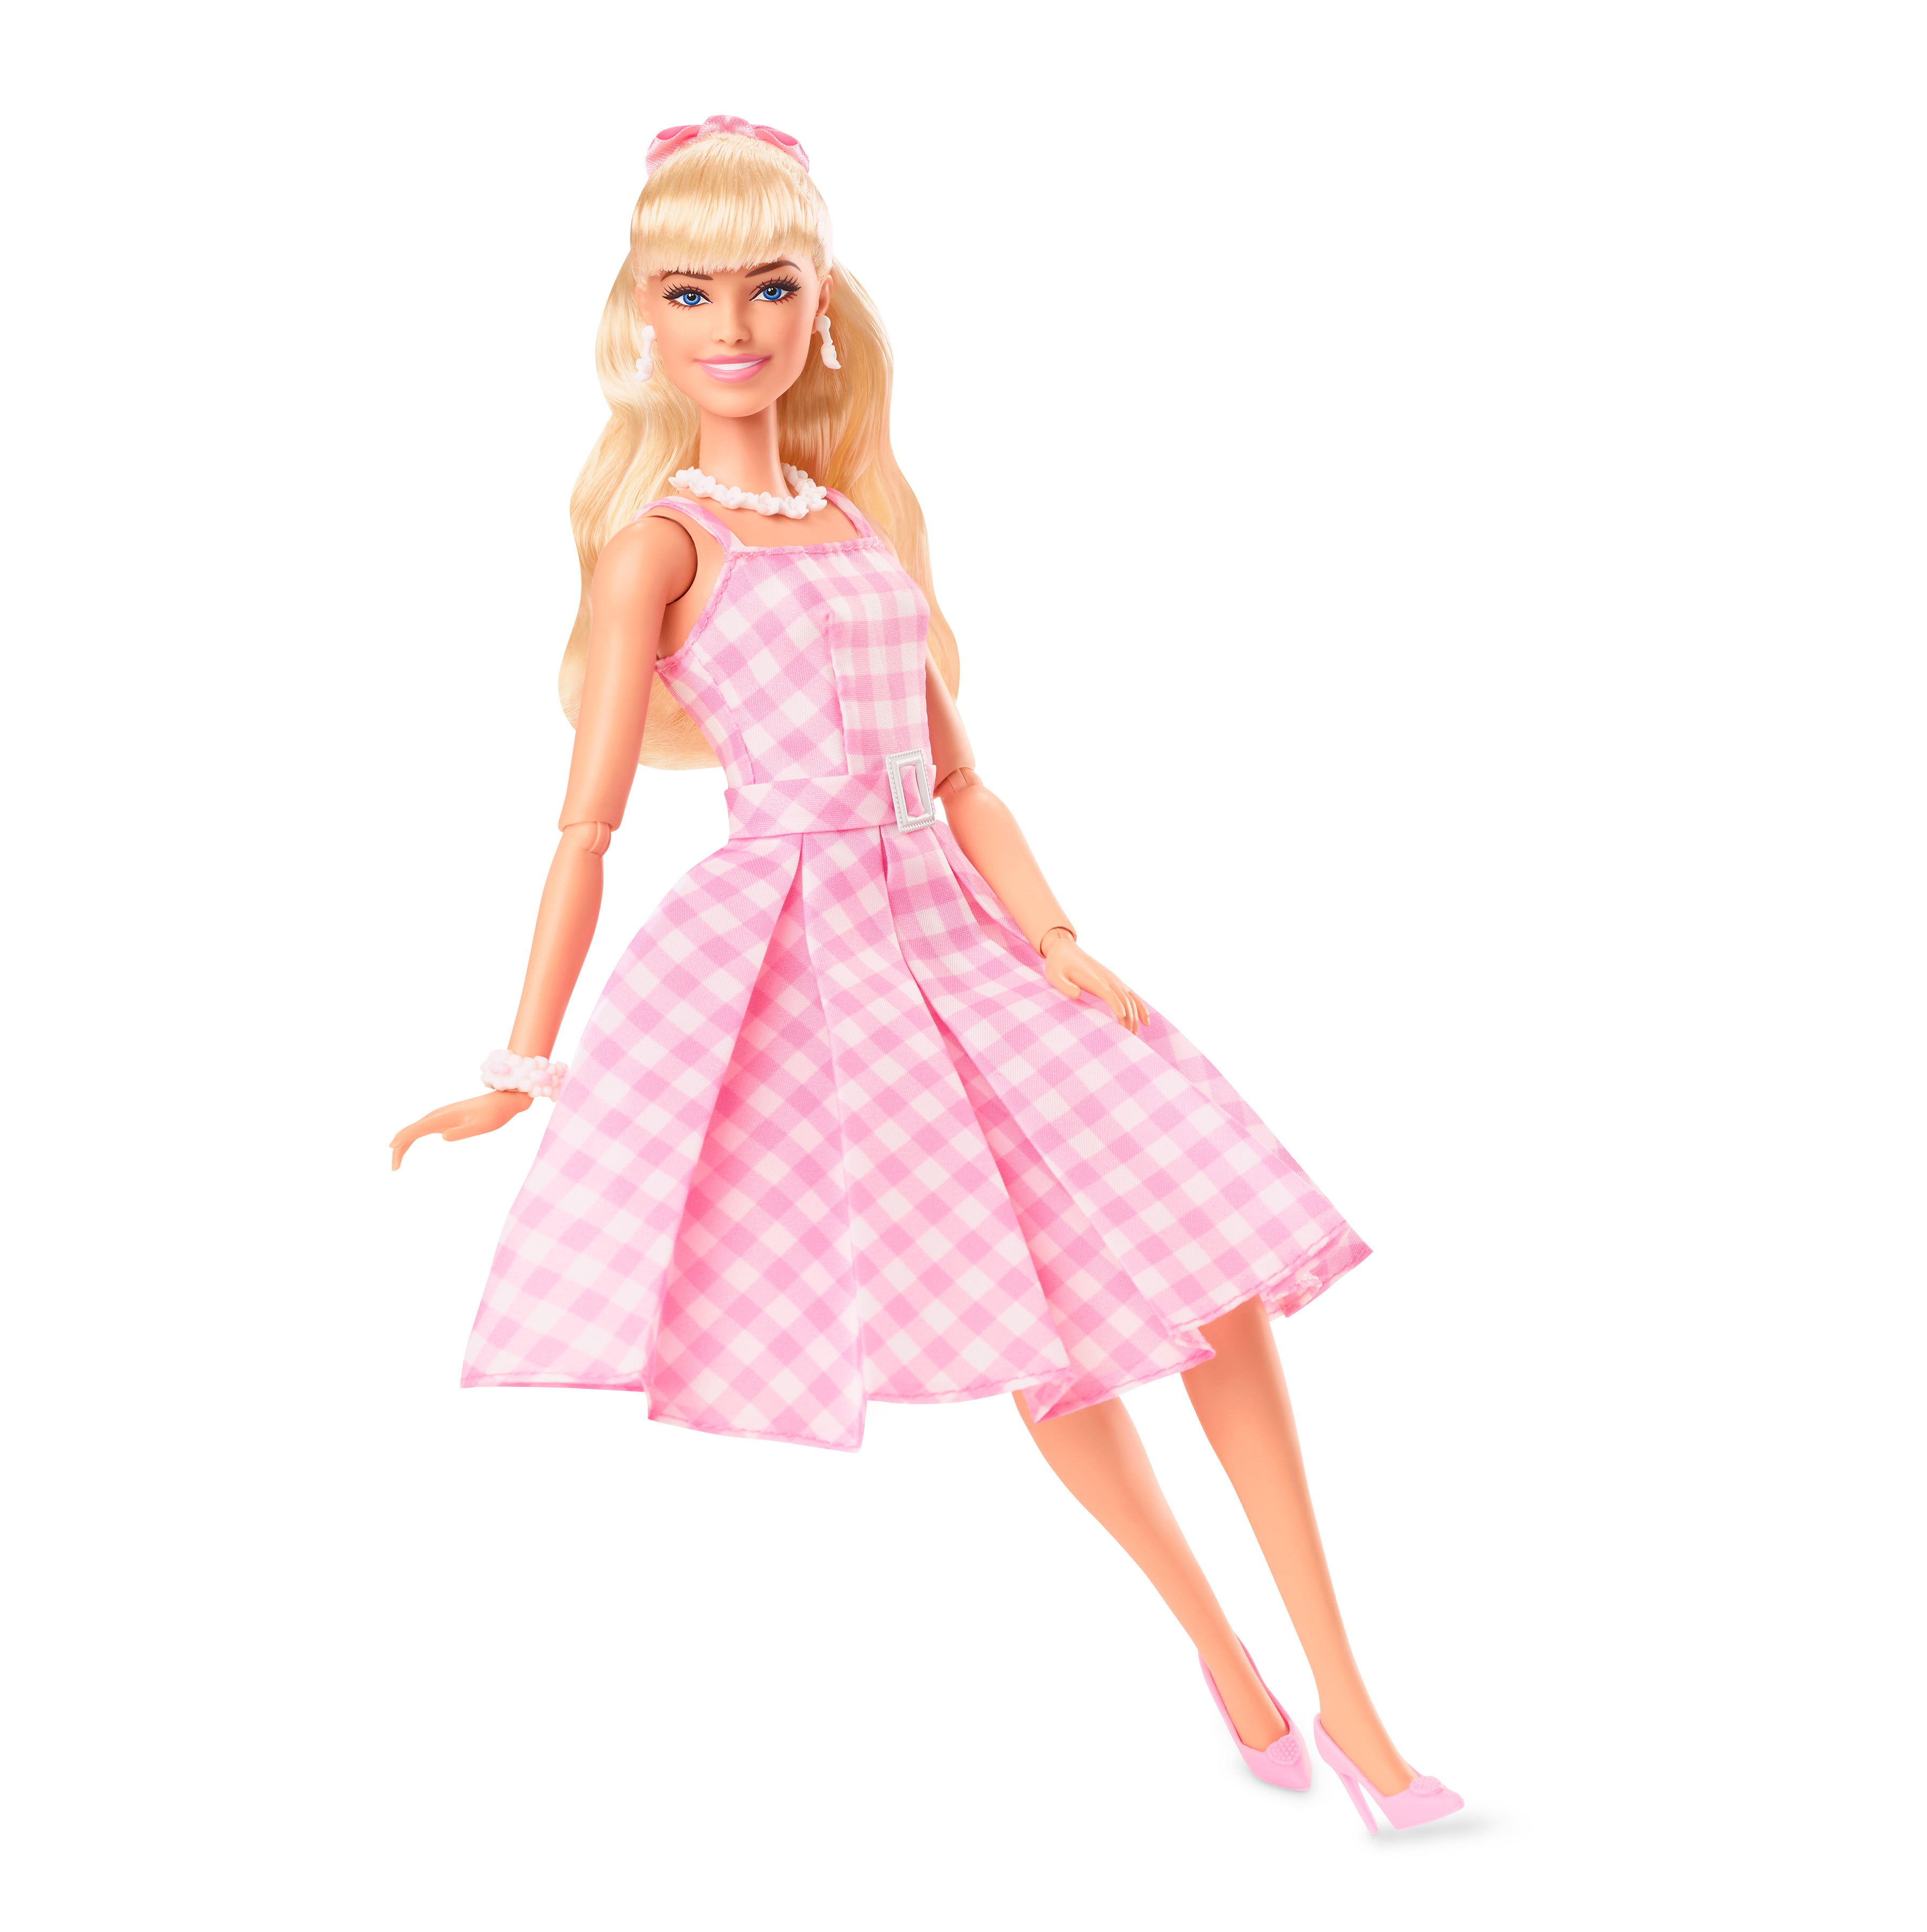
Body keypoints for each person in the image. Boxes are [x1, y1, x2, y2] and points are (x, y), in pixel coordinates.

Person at [391, 115, 1461, 1834]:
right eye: (690, 291)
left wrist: (1059, 933)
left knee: (1212, 1260)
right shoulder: (657, 547)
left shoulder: (852, 516)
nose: (732, 324)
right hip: (815, 966)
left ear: (820, 304)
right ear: (642, 317)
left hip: (966, 930)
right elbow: (583, 829)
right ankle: (1229, 1658)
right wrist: (519, 1068)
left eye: (770, 285)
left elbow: (961, 776)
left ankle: (1348, 1702)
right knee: (1049, 1325)